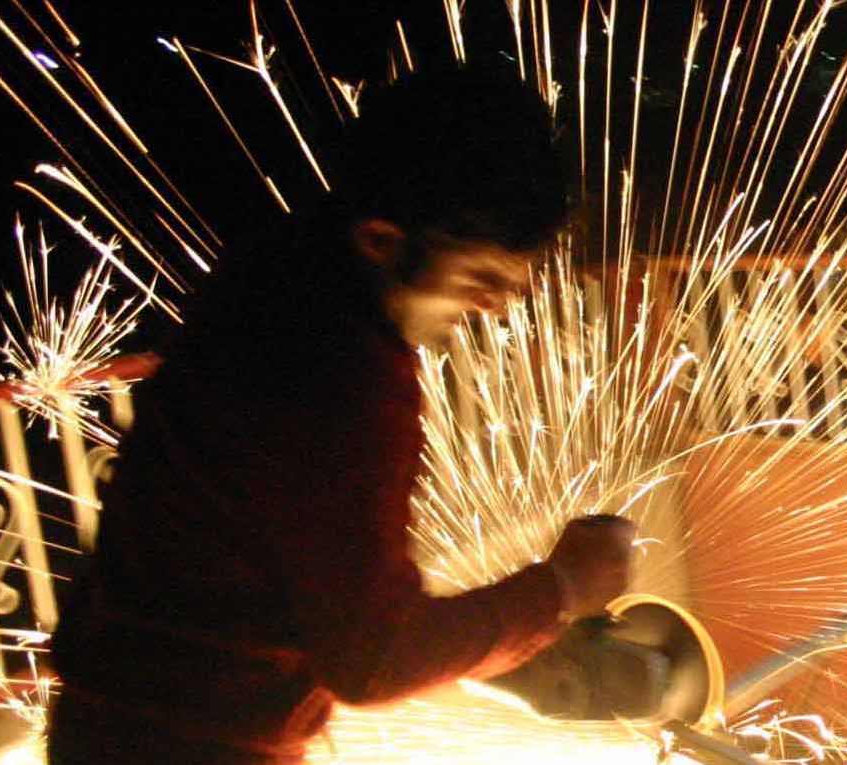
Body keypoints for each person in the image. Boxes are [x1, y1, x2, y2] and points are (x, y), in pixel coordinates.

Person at [47, 66, 631, 763]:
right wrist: (562, 588)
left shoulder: (269, 278)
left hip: (104, 718)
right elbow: (375, 661)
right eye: (481, 279)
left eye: (512, 286)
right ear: (381, 240)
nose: (497, 308)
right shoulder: (343, 376)